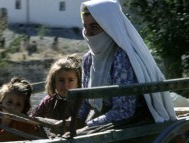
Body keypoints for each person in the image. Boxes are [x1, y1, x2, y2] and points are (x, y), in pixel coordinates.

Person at [74, 0, 176, 135]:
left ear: (109, 27)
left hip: (133, 121)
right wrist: (75, 121)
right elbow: (87, 100)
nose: (88, 33)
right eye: (85, 27)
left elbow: (124, 110)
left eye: (94, 27)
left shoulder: (122, 58)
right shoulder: (88, 59)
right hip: (107, 119)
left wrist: (88, 125)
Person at [30, 54, 82, 135]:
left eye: (71, 80)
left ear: (78, 82)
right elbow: (33, 119)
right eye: (61, 80)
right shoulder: (48, 101)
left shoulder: (82, 102)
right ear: (54, 82)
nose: (66, 85)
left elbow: (82, 121)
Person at [0, 77, 43, 142]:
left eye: (18, 104)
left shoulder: (27, 126)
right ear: (1, 101)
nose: (13, 107)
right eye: (9, 102)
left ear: (23, 108)